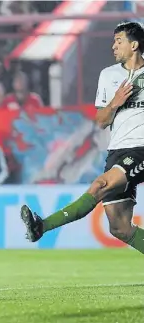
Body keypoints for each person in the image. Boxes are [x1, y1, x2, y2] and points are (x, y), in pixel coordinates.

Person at [20, 21, 144, 255]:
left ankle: (41, 226)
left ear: (135, 45)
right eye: (113, 41)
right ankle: (40, 227)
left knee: (100, 184)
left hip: (141, 147)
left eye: (119, 41)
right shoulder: (109, 76)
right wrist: (116, 102)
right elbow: (101, 121)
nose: (113, 46)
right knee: (120, 228)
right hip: (117, 150)